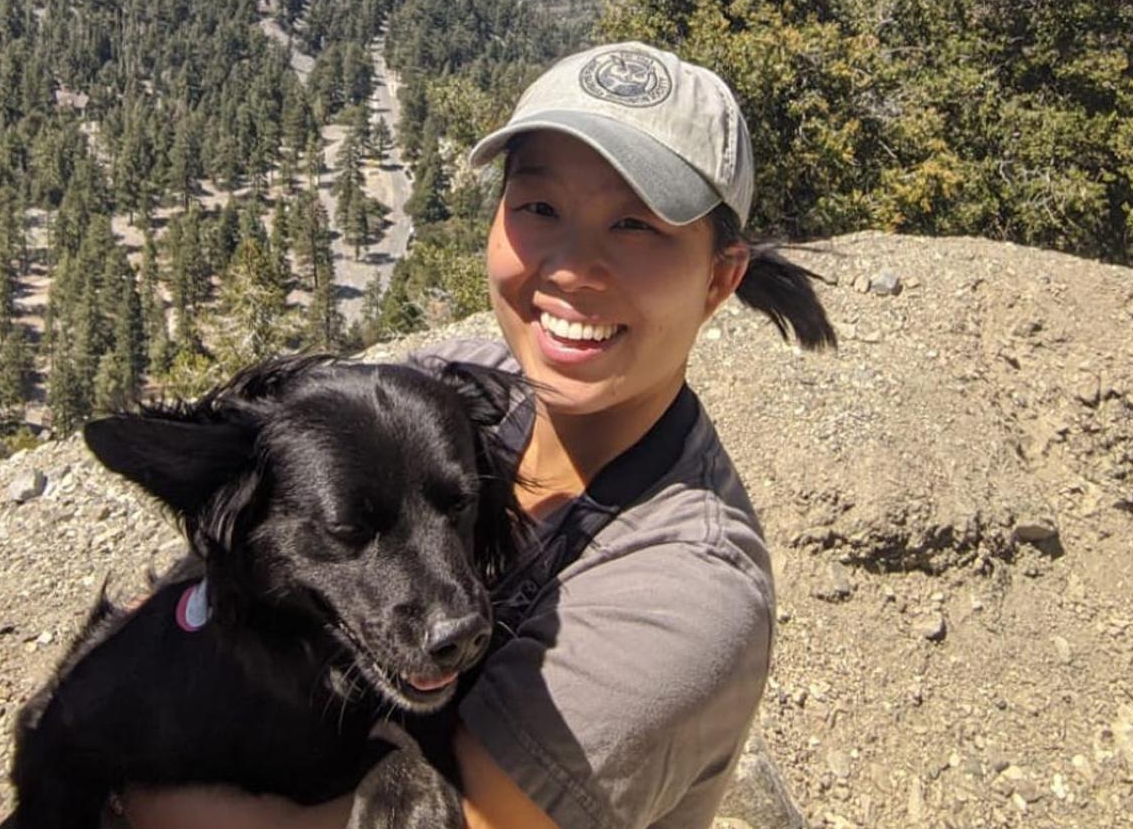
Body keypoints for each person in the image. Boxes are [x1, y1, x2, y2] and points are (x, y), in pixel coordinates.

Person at [120, 41, 834, 828]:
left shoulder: (682, 600)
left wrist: (109, 764)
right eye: (539, 208)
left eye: (634, 224)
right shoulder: (452, 386)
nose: (571, 267)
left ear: (720, 278)